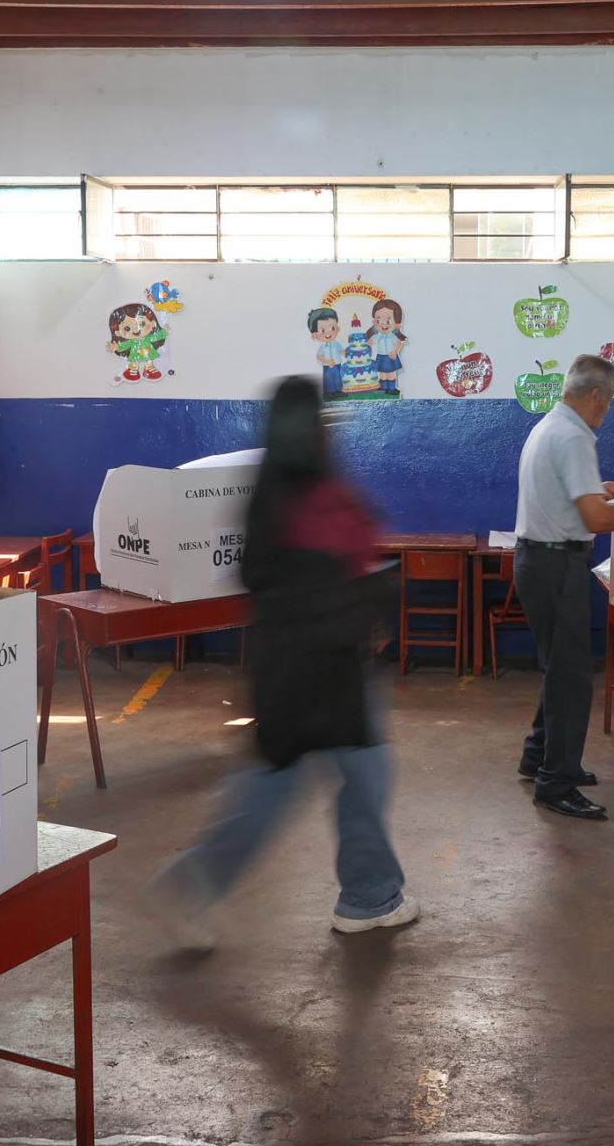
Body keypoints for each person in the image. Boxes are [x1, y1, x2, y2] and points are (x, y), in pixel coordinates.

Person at [150, 376, 416, 945]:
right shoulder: (311, 488)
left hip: (291, 669)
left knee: (289, 785)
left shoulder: (273, 486)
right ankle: (367, 895)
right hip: (328, 669)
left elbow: (261, 575)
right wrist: (363, 600)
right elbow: (322, 572)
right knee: (347, 778)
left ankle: (365, 891)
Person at [514, 354, 614, 820]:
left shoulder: (550, 427)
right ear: (597, 395)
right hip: (556, 565)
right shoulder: (576, 437)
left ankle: (539, 756)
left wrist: (599, 486)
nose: (609, 410)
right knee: (571, 679)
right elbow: (597, 520)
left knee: (557, 668)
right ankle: (556, 782)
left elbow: (572, 493)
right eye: (611, 401)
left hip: (537, 561)